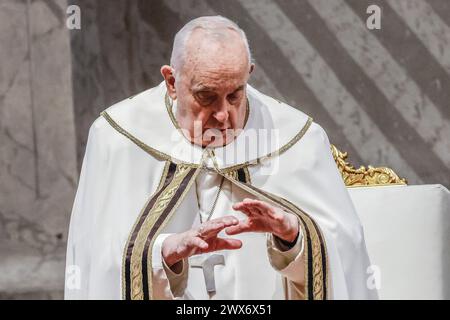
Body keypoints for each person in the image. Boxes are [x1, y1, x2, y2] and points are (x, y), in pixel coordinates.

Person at [64, 15, 377, 300]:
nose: (224, 115)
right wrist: (161, 254)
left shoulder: (298, 139)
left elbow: (346, 249)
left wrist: (293, 236)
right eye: (206, 96)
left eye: (235, 94)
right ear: (172, 82)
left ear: (248, 75)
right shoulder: (117, 138)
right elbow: (94, 259)